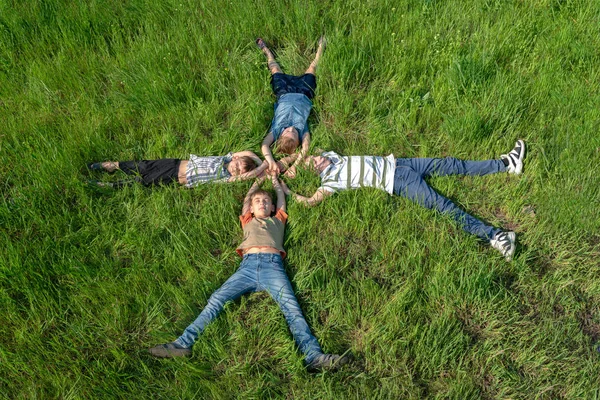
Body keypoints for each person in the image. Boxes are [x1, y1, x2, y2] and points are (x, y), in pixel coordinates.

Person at [148, 173, 351, 371]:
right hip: (247, 267)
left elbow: (281, 199)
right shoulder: (247, 220)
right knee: (217, 298)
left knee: (292, 308)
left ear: (272, 207)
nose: (262, 203)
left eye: (266, 201)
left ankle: (313, 356)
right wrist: (258, 180)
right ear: (251, 209)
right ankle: (182, 343)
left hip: (273, 267)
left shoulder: (278, 219)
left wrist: (275, 182)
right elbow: (247, 198)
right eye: (258, 201)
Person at [280, 140, 527, 261]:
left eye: (314, 157)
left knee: (451, 163)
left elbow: (304, 146)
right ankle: (495, 237)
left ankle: (506, 164)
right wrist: (285, 188)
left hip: (401, 163)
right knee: (444, 206)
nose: (316, 159)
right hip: (398, 182)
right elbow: (311, 201)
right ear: (315, 172)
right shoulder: (330, 182)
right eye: (313, 163)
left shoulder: (331, 156)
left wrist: (295, 161)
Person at [257, 36, 326, 178]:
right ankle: (321, 48)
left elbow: (264, 145)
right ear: (299, 140)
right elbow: (305, 148)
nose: (292, 129)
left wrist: (271, 162)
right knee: (312, 67)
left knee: (275, 68)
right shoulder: (302, 130)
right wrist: (295, 166)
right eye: (294, 133)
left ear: (281, 135)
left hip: (284, 92)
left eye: (288, 131)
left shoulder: (276, 130)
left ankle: (267, 51)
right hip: (304, 92)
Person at [87, 151, 266, 188]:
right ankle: (111, 165)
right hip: (174, 164)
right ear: (235, 159)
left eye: (239, 170)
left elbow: (244, 177)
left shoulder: (224, 177)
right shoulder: (225, 158)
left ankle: (108, 185)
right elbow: (248, 152)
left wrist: (262, 168)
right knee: (142, 165)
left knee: (142, 181)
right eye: (237, 165)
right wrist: (263, 160)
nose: (235, 169)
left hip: (175, 178)